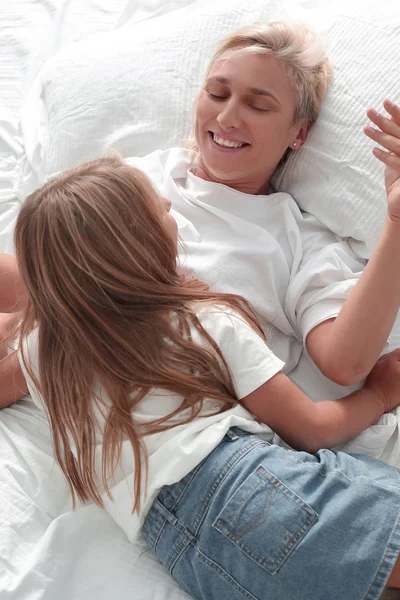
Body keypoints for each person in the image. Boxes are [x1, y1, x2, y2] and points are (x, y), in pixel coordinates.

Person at [8, 155, 400, 600]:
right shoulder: (201, 324)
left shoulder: (39, 355)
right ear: (141, 244)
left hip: (186, 557)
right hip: (250, 489)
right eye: (161, 209)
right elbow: (312, 430)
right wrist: (380, 395)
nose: (172, 211)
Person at [1, 20, 400, 451]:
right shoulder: (137, 178)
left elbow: (345, 362)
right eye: (217, 93)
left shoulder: (294, 237)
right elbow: (36, 270)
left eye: (259, 106)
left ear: (298, 133)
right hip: (45, 371)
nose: (227, 118)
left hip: (158, 425)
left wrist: (396, 223)